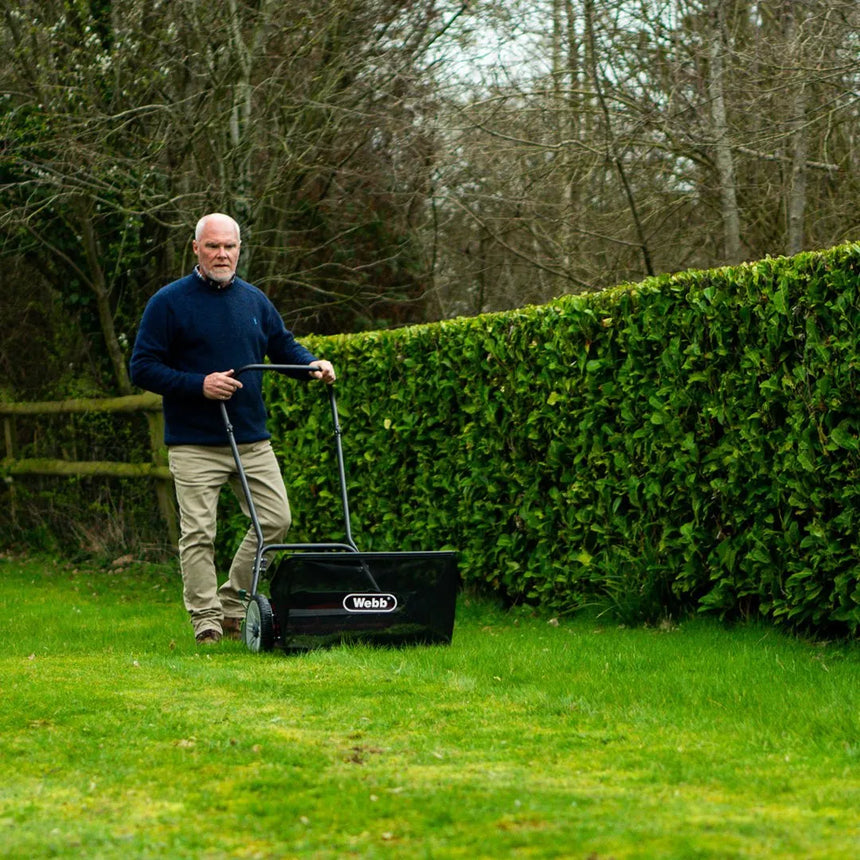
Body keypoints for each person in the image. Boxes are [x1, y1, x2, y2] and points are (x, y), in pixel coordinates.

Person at [130, 213, 336, 644]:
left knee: (276, 521)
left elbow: (283, 345)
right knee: (199, 533)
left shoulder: (254, 300)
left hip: (251, 438)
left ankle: (232, 601)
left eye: (230, 246)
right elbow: (143, 367)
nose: (222, 254)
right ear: (196, 249)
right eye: (213, 246)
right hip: (193, 442)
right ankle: (205, 619)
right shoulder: (168, 302)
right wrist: (199, 385)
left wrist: (311, 365)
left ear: (240, 248)